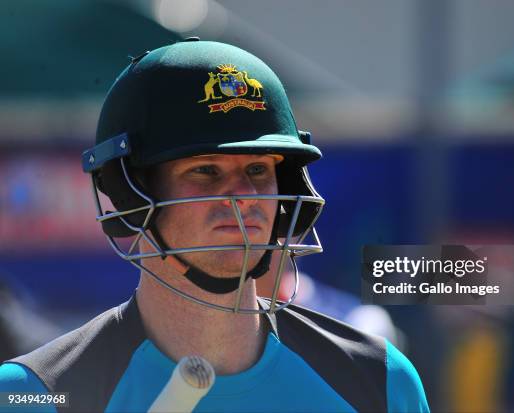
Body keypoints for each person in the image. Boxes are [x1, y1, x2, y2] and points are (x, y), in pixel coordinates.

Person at [0, 39, 429, 413]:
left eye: (259, 169)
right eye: (206, 170)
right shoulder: (35, 393)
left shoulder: (380, 382)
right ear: (130, 194)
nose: (242, 195)